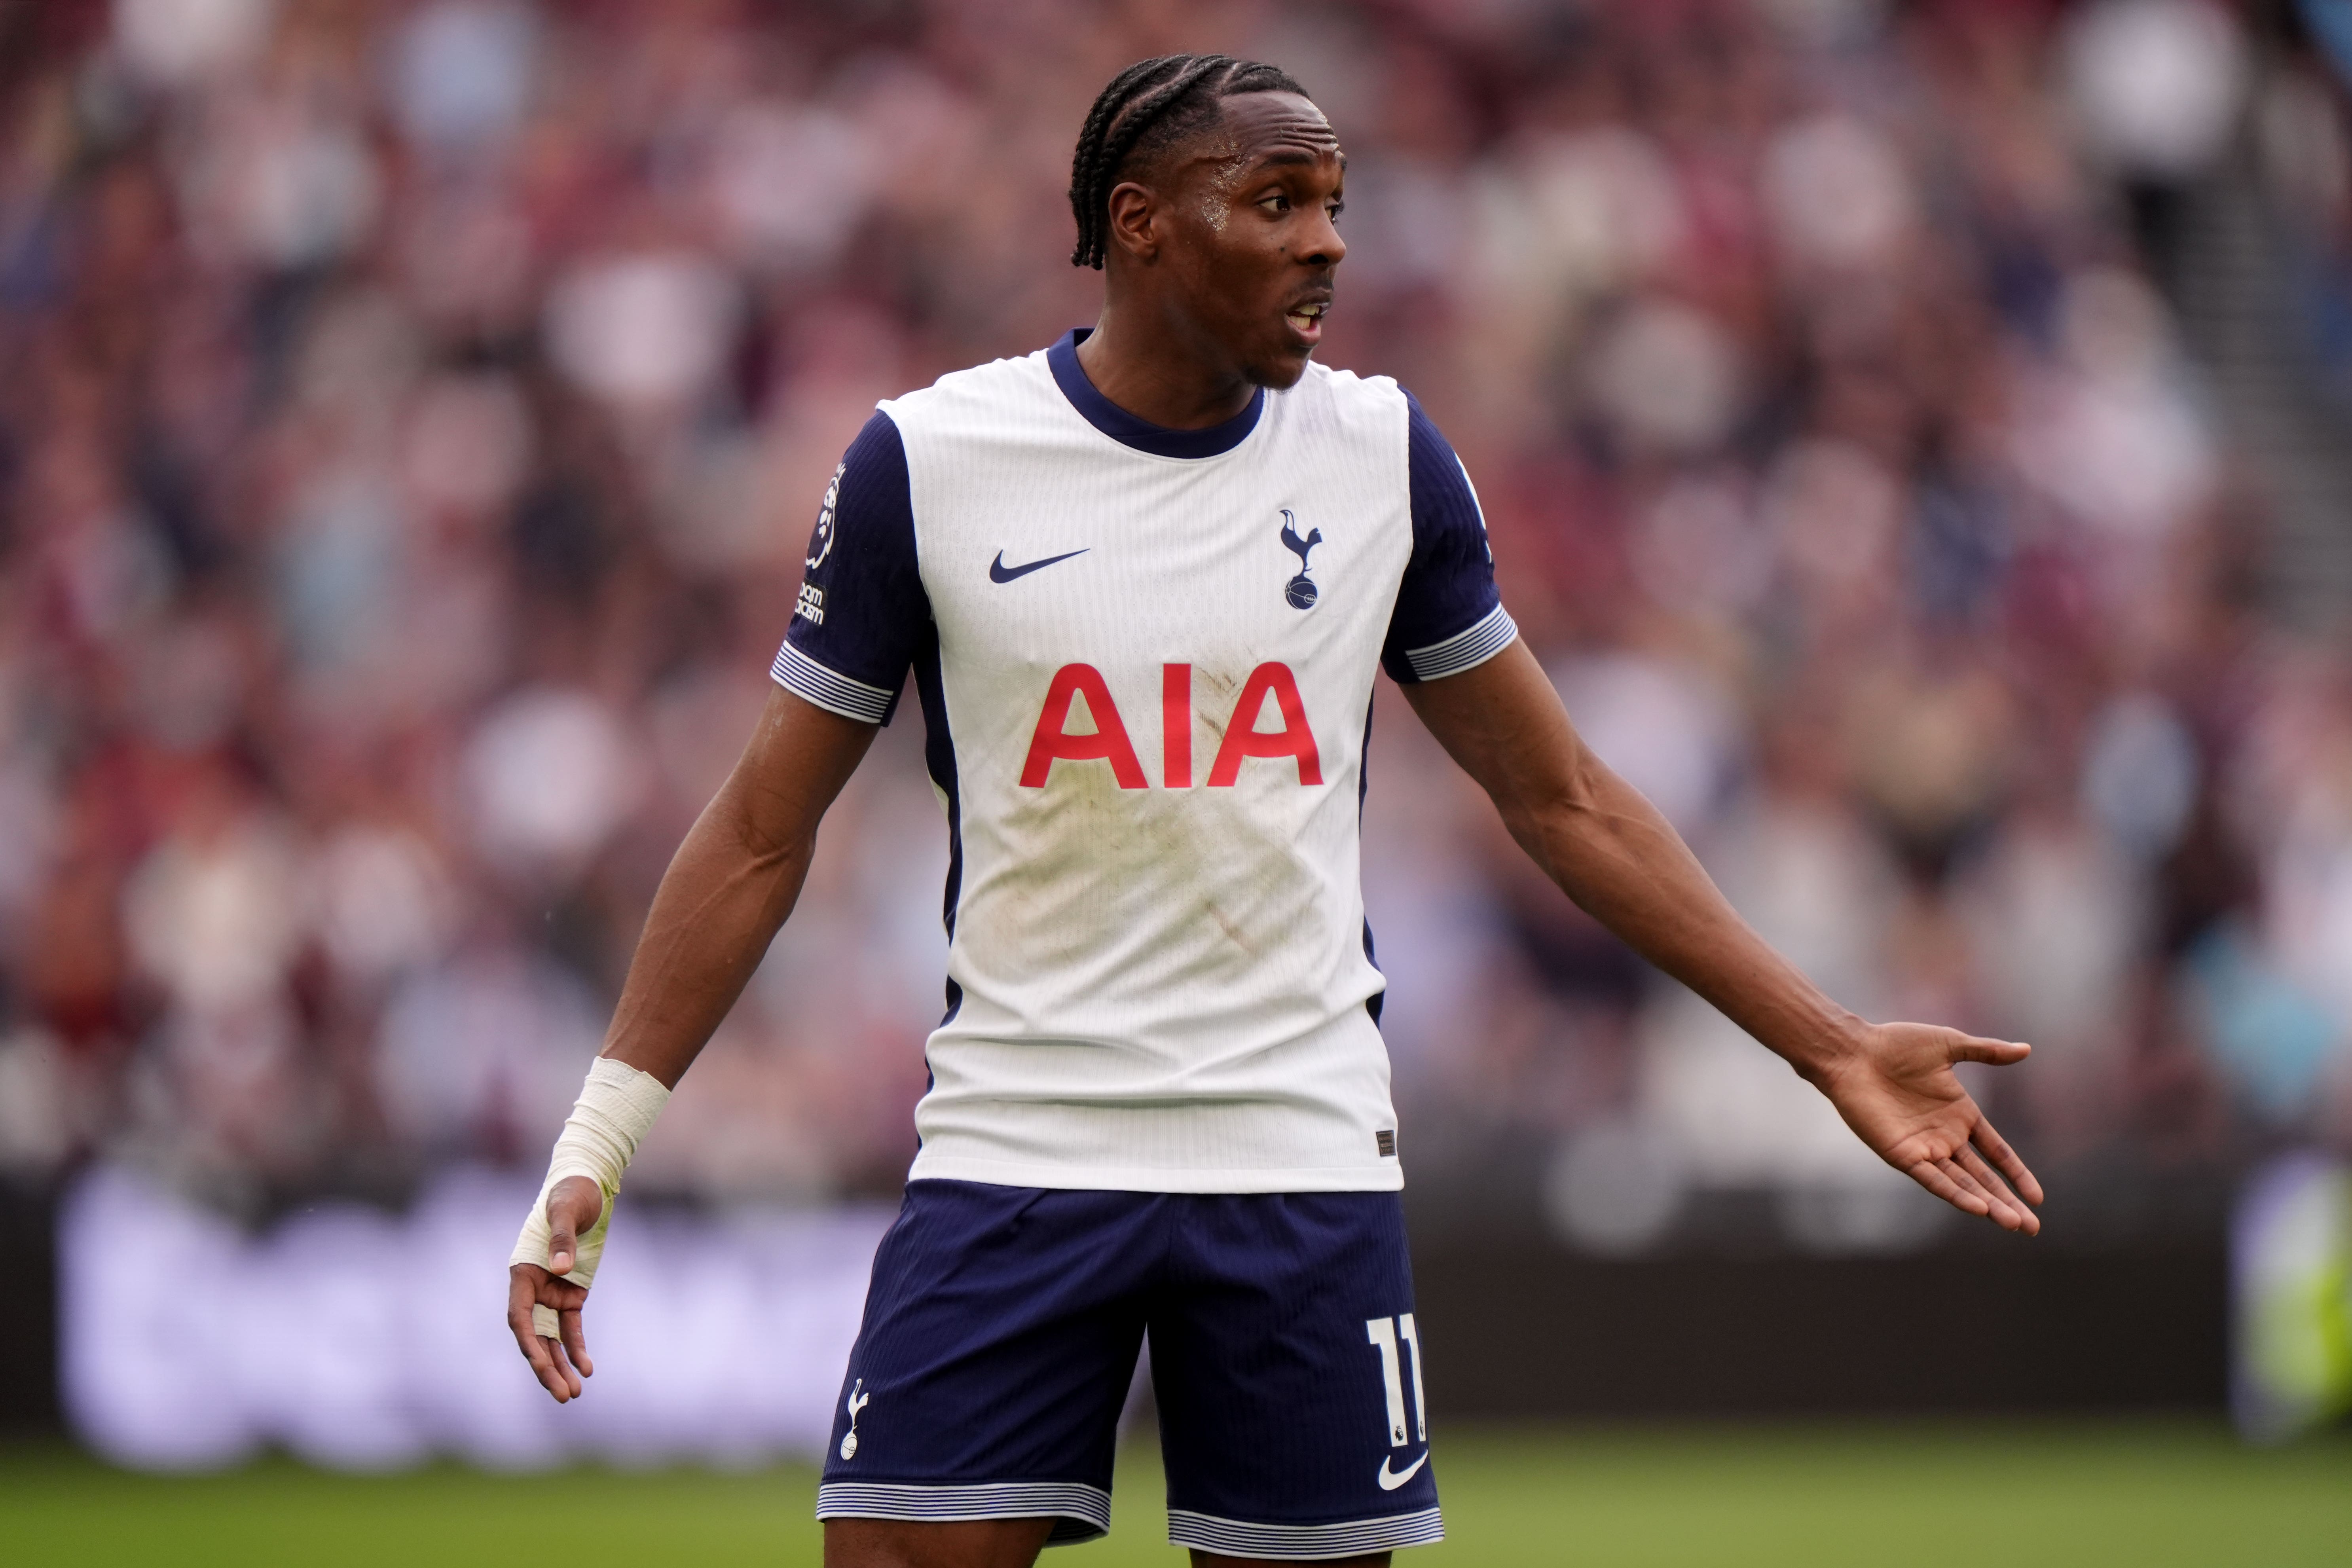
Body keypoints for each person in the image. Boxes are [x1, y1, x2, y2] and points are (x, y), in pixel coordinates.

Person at [505, 53, 2043, 1568]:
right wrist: (600, 1138)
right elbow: (761, 832)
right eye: (1279, 201)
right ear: (1139, 224)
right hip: (1019, 1142)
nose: (1328, 244)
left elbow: (1561, 797)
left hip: (1299, 1163)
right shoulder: (931, 461)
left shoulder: (1382, 457)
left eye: (1334, 204)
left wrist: (1830, 1042)